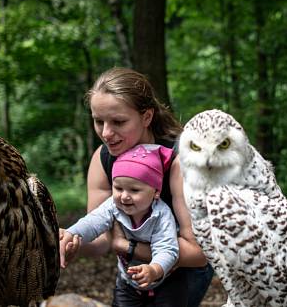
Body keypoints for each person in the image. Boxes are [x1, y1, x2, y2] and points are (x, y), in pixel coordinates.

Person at [60, 67, 213, 307]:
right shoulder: (103, 159)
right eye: (98, 121)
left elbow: (198, 255)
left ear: (147, 117)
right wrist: (72, 242)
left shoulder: (179, 160)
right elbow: (102, 239)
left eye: (118, 122)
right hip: (133, 278)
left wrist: (127, 247)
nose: (106, 133)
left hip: (183, 276)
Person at [61, 144, 186, 306]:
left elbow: (167, 248)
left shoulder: (161, 215)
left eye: (134, 190)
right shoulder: (113, 205)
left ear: (156, 192)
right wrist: (71, 234)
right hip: (127, 282)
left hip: (167, 282)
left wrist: (154, 269)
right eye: (118, 188)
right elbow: (93, 222)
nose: (124, 196)